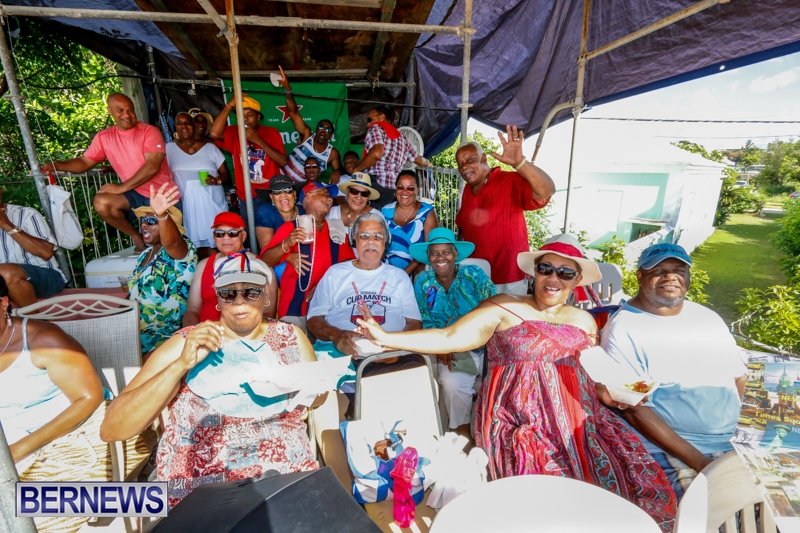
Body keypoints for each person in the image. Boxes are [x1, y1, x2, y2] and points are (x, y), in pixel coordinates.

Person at [356, 234, 677, 531]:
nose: (553, 279)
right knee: (541, 500)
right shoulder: (504, 307)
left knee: (616, 491)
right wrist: (385, 337)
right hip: (515, 421)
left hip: (577, 421)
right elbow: (450, 336)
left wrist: (620, 394)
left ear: (577, 281)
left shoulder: (584, 320)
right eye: (546, 269)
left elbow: (596, 378)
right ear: (533, 273)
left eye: (565, 273)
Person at [101, 255, 320, 507]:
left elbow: (316, 397)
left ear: (266, 295)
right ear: (217, 297)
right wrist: (181, 365)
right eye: (229, 292)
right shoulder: (188, 341)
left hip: (285, 477)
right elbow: (113, 428)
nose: (239, 300)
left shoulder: (291, 337)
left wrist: (315, 385)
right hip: (204, 487)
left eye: (251, 291)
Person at [599, 242, 746, 501]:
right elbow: (635, 409)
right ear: (640, 276)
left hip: (734, 443)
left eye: (679, 270)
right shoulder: (625, 329)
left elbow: (738, 376)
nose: (670, 276)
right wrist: (702, 463)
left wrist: (742, 436)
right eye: (658, 270)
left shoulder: (707, 317)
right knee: (717, 514)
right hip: (678, 451)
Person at [0, 276, 108, 533]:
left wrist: (16, 450)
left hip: (53, 441)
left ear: (3, 303)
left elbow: (89, 397)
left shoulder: (42, 340)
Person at [43, 93, 179, 252]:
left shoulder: (150, 131)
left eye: (130, 110)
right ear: (110, 111)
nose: (126, 115)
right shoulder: (104, 137)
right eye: (120, 110)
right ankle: (137, 238)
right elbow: (84, 162)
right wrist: (55, 165)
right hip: (134, 192)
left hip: (162, 194)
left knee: (170, 245)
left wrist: (121, 188)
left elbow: (153, 166)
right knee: (102, 202)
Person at [409, 228, 496, 442]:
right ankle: (462, 430)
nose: (441, 258)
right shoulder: (423, 281)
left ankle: (494, 433)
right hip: (449, 347)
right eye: (435, 253)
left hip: (486, 343)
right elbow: (424, 318)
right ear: (428, 257)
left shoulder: (473, 274)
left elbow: (495, 306)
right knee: (452, 383)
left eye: (446, 252)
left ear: (455, 254)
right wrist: (441, 347)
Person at [454, 126, 555, 295]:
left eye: (469, 160)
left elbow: (547, 190)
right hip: (476, 276)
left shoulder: (509, 180)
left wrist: (519, 163)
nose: (464, 167)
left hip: (510, 276)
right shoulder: (467, 192)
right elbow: (463, 229)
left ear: (484, 159)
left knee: (509, 322)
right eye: (460, 164)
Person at [261, 181, 355, 331]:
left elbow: (350, 262)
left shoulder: (336, 229)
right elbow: (265, 260)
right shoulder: (291, 228)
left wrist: (324, 282)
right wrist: (287, 245)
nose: (330, 199)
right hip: (295, 308)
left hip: (329, 310)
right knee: (293, 352)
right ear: (309, 196)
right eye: (325, 194)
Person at [127, 185, 197, 355]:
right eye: (143, 221)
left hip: (164, 338)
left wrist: (162, 215)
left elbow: (172, 242)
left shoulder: (182, 249)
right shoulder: (145, 254)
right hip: (134, 334)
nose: (144, 225)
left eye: (152, 221)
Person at [183, 212, 277, 326]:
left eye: (232, 233)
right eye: (219, 234)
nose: (226, 238)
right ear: (214, 237)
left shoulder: (261, 266)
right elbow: (192, 310)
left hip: (245, 335)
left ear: (244, 235)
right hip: (205, 333)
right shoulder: (204, 264)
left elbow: (267, 314)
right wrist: (193, 335)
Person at [210, 94, 288, 220]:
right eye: (242, 115)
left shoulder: (271, 133)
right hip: (246, 195)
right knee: (250, 234)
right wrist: (229, 105)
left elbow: (283, 161)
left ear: (258, 117)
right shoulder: (235, 132)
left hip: (269, 194)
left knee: (270, 231)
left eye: (250, 115)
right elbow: (214, 133)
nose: (245, 119)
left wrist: (258, 140)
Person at [166, 112, 230, 257]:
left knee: (218, 246)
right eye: (180, 123)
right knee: (195, 250)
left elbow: (226, 175)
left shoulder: (210, 148)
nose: (184, 126)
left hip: (212, 203)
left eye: (188, 123)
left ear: (194, 126)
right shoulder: (168, 149)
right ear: (175, 126)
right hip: (188, 207)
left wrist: (216, 180)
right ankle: (202, 277)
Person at [352, 106, 431, 209]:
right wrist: (429, 164)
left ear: (381, 117)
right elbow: (419, 160)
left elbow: (376, 153)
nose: (368, 124)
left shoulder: (376, 128)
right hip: (395, 187)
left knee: (373, 220)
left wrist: (357, 170)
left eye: (369, 119)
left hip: (377, 183)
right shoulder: (402, 138)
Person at [0, 187, 67, 307]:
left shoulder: (26, 214)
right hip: (2, 285)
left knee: (4, 272)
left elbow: (46, 253)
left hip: (45, 277)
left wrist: (7, 225)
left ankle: (33, 321)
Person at [277, 67, 343, 183]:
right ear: (316, 130)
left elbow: (339, 169)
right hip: (281, 181)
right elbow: (293, 112)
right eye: (321, 127)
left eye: (328, 129)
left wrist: (337, 171)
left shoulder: (332, 153)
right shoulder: (306, 135)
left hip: (303, 191)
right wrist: (288, 89)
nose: (323, 130)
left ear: (331, 135)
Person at [382, 170, 439, 276]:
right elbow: (380, 246)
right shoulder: (385, 211)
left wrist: (405, 273)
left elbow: (430, 249)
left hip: (416, 269)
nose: (405, 192)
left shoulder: (427, 212)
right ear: (396, 189)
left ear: (418, 189)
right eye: (400, 187)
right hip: (387, 269)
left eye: (410, 188)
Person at [255, 175, 304, 250]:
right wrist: (289, 257)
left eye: (288, 190)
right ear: (271, 197)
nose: (283, 195)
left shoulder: (304, 211)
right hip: (277, 260)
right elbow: (266, 250)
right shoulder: (265, 212)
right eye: (277, 192)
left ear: (294, 194)